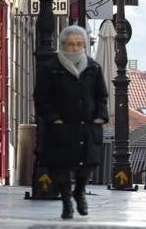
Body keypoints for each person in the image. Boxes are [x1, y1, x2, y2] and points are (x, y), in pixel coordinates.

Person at [34, 25, 108, 219]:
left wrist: (100, 117)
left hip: (87, 126)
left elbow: (101, 95)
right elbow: (41, 97)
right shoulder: (50, 68)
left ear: (83, 45)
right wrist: (53, 118)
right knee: (61, 166)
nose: (74, 48)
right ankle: (67, 201)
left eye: (78, 44)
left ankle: (80, 192)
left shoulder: (93, 67)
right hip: (62, 126)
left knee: (87, 164)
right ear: (62, 44)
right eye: (70, 44)